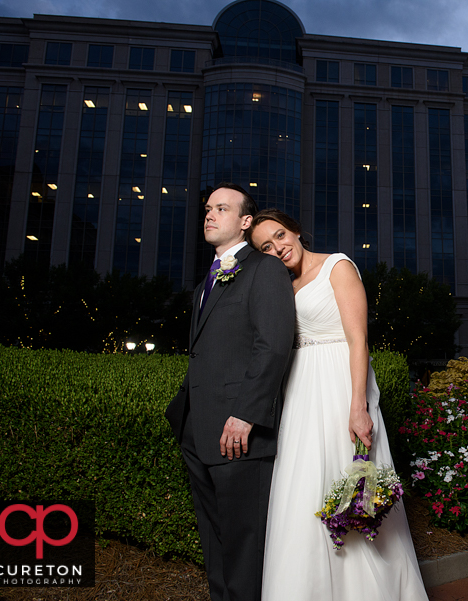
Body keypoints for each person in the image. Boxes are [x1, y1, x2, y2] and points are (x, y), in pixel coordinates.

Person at [250, 209, 428, 601]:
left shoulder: (338, 266)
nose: (277, 247)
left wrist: (358, 405)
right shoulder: (283, 285)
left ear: (296, 231)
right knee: (301, 490)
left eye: (280, 235)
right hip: (299, 394)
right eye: (265, 246)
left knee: (353, 487)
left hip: (338, 388)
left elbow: (358, 340)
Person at [166, 185, 295, 601]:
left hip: (238, 431)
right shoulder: (208, 278)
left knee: (244, 544)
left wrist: (246, 414)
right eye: (207, 209)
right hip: (196, 428)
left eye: (221, 208)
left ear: (244, 222)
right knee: (215, 537)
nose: (209, 215)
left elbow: (272, 345)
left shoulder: (264, 269)